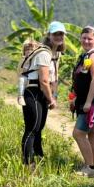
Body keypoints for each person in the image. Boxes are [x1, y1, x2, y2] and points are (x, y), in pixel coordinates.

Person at [21, 21, 65, 166]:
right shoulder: (44, 53)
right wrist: (51, 99)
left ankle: (38, 158)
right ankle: (28, 163)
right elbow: (44, 81)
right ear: (49, 35)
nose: (59, 36)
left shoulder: (55, 53)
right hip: (33, 91)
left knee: (39, 128)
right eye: (55, 34)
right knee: (32, 128)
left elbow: (53, 79)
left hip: (41, 93)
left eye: (61, 34)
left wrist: (53, 95)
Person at [71, 26, 94, 176]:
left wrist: (88, 102)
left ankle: (90, 167)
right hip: (89, 100)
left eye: (90, 39)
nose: (86, 41)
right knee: (92, 131)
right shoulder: (86, 55)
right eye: (84, 38)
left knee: (78, 133)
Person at [17, 39, 40, 106]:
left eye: (31, 49)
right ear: (24, 51)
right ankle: (20, 96)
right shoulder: (24, 59)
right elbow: (21, 69)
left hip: (36, 78)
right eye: (27, 50)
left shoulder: (38, 58)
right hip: (26, 76)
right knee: (22, 80)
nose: (29, 51)